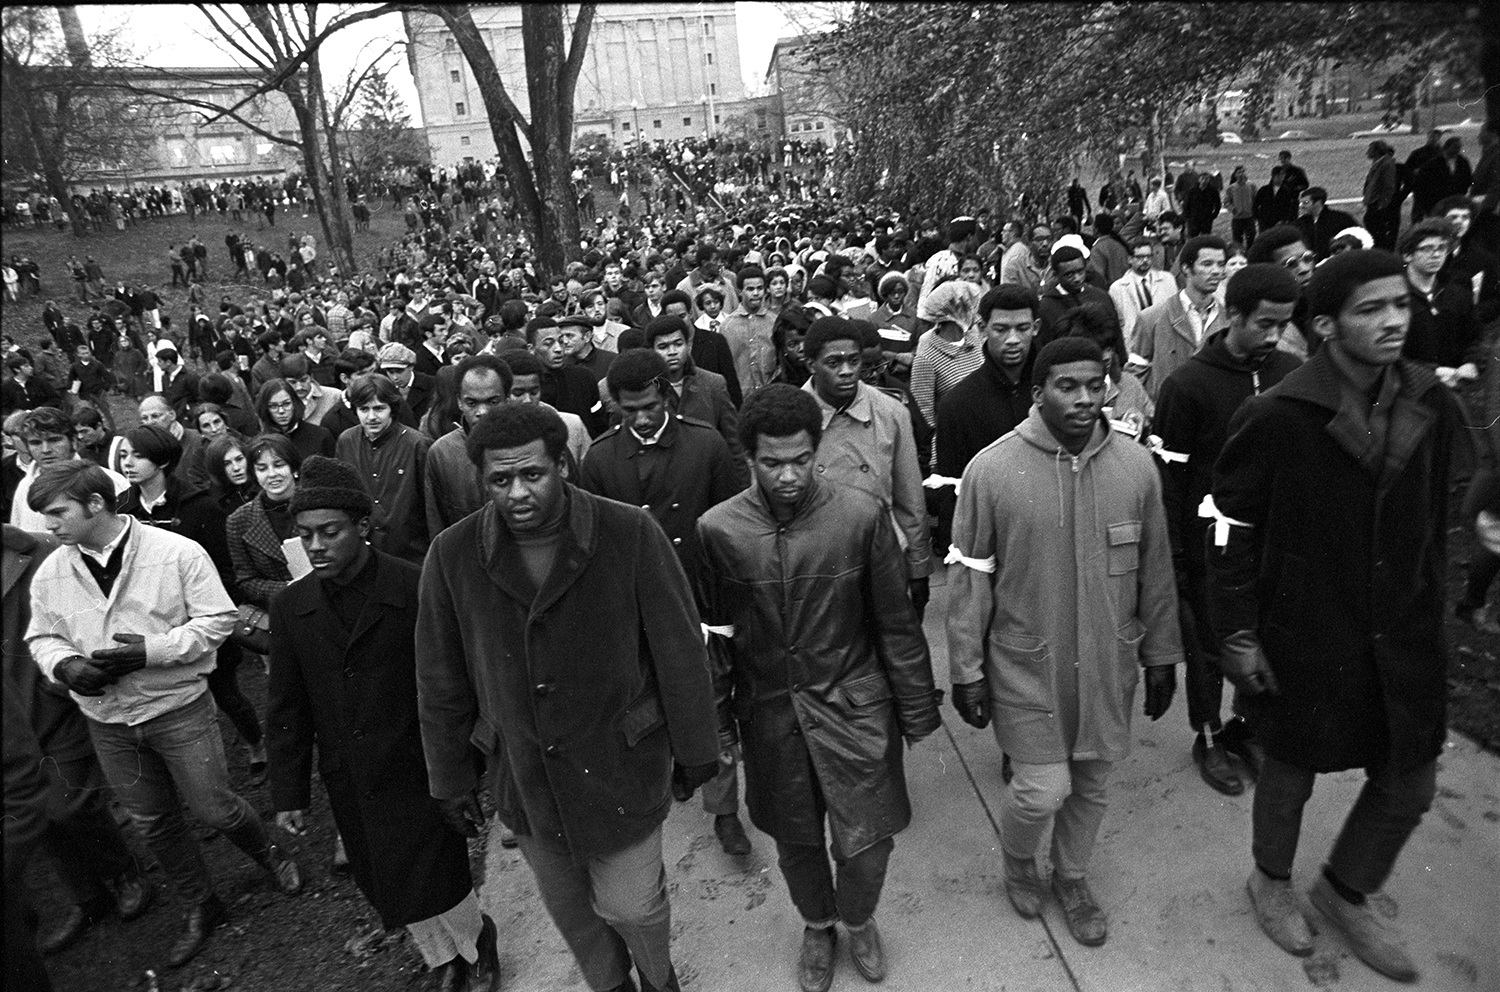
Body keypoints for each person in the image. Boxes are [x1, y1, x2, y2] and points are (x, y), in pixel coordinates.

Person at [1206, 250, 1467, 983]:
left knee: (1409, 782)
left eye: (1400, 306)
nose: (1392, 322)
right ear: (1324, 326)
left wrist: (1434, 603)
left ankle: (1346, 890)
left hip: (1404, 633)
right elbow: (1227, 522)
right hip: (1305, 632)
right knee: (1289, 775)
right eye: (1370, 310)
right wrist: (1237, 629)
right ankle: (1271, 879)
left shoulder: (1430, 400)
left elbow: (1438, 510)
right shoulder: (1277, 415)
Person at [415, 402, 720, 992]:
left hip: (620, 763)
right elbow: (439, 678)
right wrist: (449, 777)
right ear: (483, 481)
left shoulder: (629, 531)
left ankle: (660, 980)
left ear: (564, 465)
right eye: (500, 480)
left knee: (633, 906)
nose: (518, 493)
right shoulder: (452, 555)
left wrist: (696, 746)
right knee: (574, 915)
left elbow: (680, 652)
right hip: (527, 776)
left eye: (533, 474)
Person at [692, 383, 942, 992]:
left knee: (870, 842)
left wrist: (916, 712)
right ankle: (817, 922)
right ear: (748, 458)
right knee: (796, 840)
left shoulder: (859, 515)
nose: (787, 476)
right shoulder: (717, 530)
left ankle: (857, 918)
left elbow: (895, 623)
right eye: (772, 462)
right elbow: (717, 642)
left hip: (855, 708)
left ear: (816, 449)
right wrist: (719, 727)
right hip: (771, 717)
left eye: (801, 459)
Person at [946, 337, 1182, 948]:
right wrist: (966, 670)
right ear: (1037, 393)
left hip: (1108, 661)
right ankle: (1020, 860)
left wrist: (1161, 656)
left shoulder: (1136, 468)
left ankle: (1072, 878)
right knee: (1041, 789)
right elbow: (969, 576)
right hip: (1028, 665)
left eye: (1094, 384)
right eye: (1066, 386)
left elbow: (1156, 570)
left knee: (1093, 784)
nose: (1083, 398)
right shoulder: (991, 471)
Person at [23, 460, 302, 968]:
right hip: (108, 720)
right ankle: (201, 903)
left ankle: (269, 853)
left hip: (178, 708)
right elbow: (41, 636)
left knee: (215, 807)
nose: (49, 525)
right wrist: (65, 667)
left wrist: (152, 651)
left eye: (58, 513)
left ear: (95, 504)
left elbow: (219, 618)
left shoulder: (174, 552)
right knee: (153, 822)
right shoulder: (51, 572)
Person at [268, 456, 497, 991]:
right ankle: (444, 958)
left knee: (438, 870)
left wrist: (466, 762)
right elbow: (286, 706)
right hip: (353, 773)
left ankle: (477, 940)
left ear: (363, 528)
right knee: (384, 876)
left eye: (330, 532)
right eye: (305, 536)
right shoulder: (292, 607)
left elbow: (456, 679)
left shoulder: (414, 586)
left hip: (418, 763)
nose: (317, 546)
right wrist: (289, 792)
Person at [580, 349, 747, 853]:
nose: (642, 418)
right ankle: (679, 763)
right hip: (636, 603)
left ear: (668, 393)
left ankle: (724, 810)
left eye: (650, 405)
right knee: (651, 698)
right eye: (628, 411)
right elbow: (594, 543)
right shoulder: (601, 460)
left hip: (702, 595)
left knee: (714, 698)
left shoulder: (706, 444)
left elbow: (734, 520)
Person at [1150, 264, 1303, 797]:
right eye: (1264, 323)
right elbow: (1167, 480)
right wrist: (1174, 553)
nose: (1274, 336)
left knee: (1265, 639)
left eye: (1283, 324)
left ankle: (1247, 727)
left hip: (1274, 541)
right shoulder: (1188, 384)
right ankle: (1209, 734)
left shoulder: (1292, 371)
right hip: (1206, 547)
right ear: (1231, 315)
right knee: (1210, 649)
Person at [4, 523, 150, 957]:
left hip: (48, 699)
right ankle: (87, 898)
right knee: (36, 817)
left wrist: (62, 678)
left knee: (72, 803)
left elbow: (76, 615)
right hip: (10, 719)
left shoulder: (34, 552)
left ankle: (126, 872)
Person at [802, 317, 934, 617]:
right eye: (833, 363)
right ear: (811, 364)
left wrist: (918, 569)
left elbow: (910, 501)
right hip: (818, 565)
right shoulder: (793, 415)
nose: (846, 371)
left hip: (883, 559)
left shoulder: (891, 412)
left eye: (853, 361)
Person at [935, 285, 1039, 487]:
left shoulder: (1054, 391)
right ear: (982, 328)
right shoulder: (958, 404)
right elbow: (950, 487)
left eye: (1022, 328)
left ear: (1036, 328)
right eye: (1001, 329)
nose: (1013, 340)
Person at [334, 373, 431, 564]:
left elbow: (431, 505)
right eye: (364, 409)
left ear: (392, 409)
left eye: (379, 408)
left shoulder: (417, 444)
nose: (371, 417)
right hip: (364, 553)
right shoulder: (347, 441)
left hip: (411, 553)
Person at [424, 354, 513, 539]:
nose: (482, 412)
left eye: (493, 402)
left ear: (508, 398)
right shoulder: (442, 453)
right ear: (459, 402)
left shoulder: (531, 446)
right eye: (472, 403)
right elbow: (437, 525)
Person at [1133, 235, 1229, 399]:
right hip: (1167, 411)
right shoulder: (1151, 317)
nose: (1216, 271)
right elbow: (1135, 373)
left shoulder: (1229, 319)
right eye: (1207, 264)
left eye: (1221, 265)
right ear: (1186, 269)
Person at [10, 407, 127, 531]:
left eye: (54, 440)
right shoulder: (24, 487)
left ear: (74, 442)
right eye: (36, 443)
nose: (45, 450)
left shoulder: (108, 480)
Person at [1399, 218, 1483, 389]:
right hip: (1408, 389)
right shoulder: (1394, 297)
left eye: (1441, 248)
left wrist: (1471, 363)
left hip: (1454, 387)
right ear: (1408, 255)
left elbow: (1474, 337)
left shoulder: (1458, 294)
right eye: (1427, 249)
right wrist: (1431, 372)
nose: (1436, 255)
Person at [1036, 245, 1115, 347]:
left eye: (1080, 271)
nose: (1077, 278)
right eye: (1069, 274)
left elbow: (1115, 338)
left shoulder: (1101, 297)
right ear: (1055, 274)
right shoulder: (1046, 307)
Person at [1109, 238, 1179, 348]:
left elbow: (1176, 310)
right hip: (1135, 342)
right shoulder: (1117, 287)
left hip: (1165, 340)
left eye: (1149, 256)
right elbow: (1119, 322)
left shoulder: (1167, 279)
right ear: (1130, 259)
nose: (1145, 260)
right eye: (1140, 257)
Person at [257, 377, 337, 461]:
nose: (281, 411)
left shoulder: (321, 436)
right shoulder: (259, 444)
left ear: (295, 403)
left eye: (286, 404)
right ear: (265, 408)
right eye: (273, 406)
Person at [1294, 187, 1359, 261]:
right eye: (1300, 203)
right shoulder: (1300, 222)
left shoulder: (1341, 219)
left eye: (1305, 202)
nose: (1301, 206)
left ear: (1318, 203)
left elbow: (1358, 237)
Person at [1362, 141, 1400, 251]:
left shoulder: (1386, 164)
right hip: (1373, 202)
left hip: (1378, 205)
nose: (1367, 153)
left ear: (1377, 151)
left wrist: (1382, 205)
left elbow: (1389, 187)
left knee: (1378, 233)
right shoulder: (1378, 163)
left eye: (1370, 150)